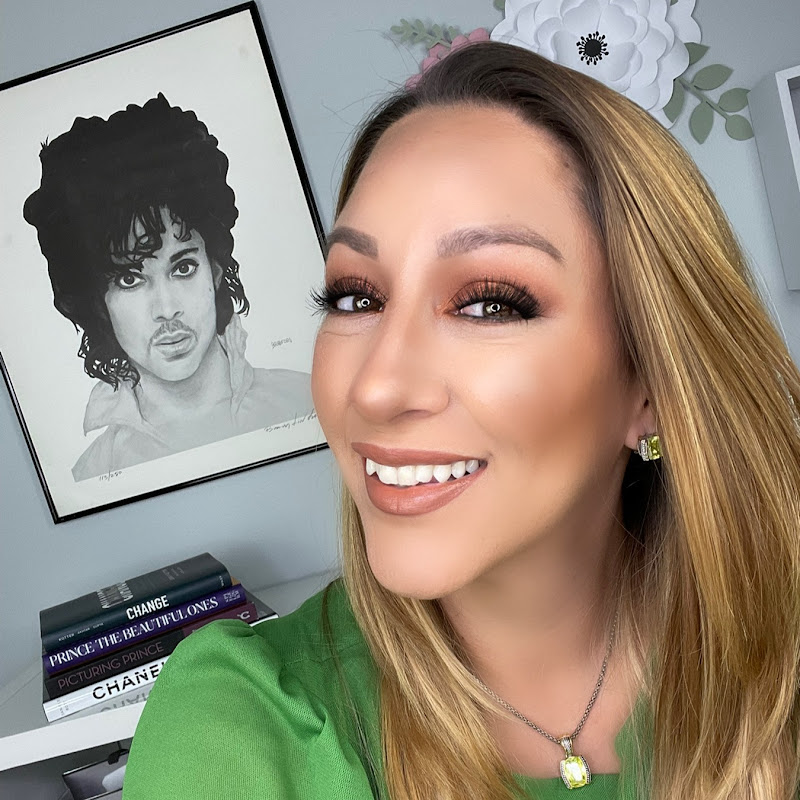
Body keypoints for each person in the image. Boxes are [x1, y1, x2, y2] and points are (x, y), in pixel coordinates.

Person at [122, 43, 800, 800]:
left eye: (488, 304)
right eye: (355, 297)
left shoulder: (781, 659)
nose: (375, 387)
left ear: (650, 388)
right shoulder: (239, 725)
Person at [23, 94, 313, 481]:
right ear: (98, 304)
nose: (166, 309)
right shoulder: (94, 476)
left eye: (183, 267)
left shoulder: (305, 404)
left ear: (214, 270)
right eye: (130, 279)